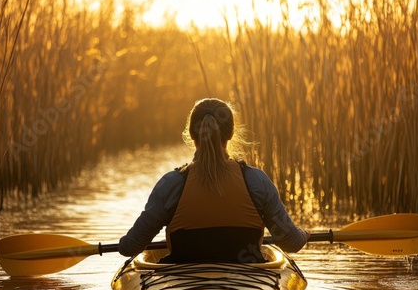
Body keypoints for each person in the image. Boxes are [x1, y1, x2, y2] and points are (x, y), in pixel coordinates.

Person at [118, 98, 309, 262]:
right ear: (231, 134)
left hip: (183, 284)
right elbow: (291, 243)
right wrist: (304, 234)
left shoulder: (171, 184)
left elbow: (131, 247)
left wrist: (122, 244)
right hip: (247, 283)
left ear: (192, 135)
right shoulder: (256, 181)